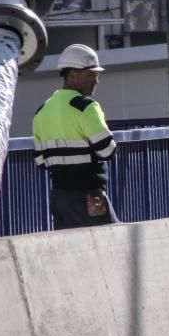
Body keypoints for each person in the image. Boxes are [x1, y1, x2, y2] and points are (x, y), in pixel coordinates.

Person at [33, 44, 119, 229]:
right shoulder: (86, 107)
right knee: (112, 242)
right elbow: (107, 151)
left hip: (59, 198)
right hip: (90, 196)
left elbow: (40, 161)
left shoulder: (41, 112)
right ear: (72, 75)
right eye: (90, 75)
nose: (96, 81)